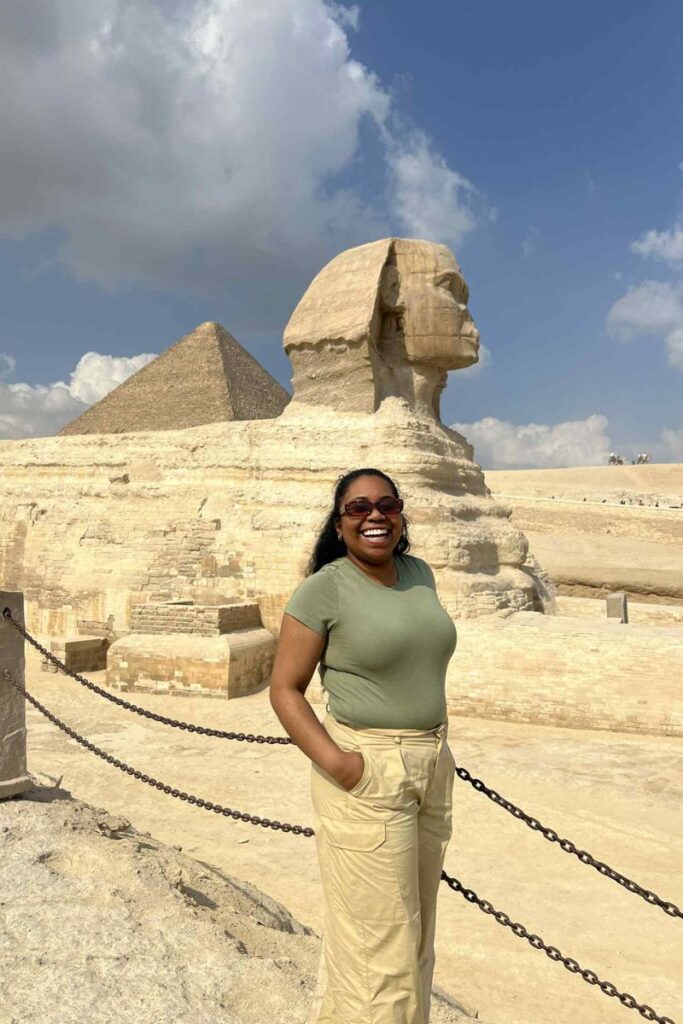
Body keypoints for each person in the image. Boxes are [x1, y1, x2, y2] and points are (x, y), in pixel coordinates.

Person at [270, 467, 458, 1024]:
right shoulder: (324, 586)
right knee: (382, 952)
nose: (375, 515)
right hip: (369, 770)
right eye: (358, 508)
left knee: (416, 937)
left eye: (388, 503)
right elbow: (284, 689)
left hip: (431, 765)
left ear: (401, 513)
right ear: (339, 521)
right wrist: (343, 765)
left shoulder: (419, 572)